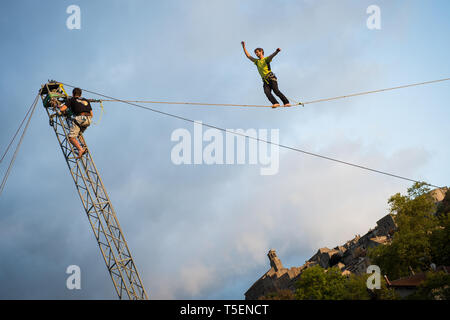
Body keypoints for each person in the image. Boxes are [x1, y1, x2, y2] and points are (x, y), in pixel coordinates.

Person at [241, 41, 290, 108]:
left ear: (261, 52)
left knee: (276, 91)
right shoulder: (257, 61)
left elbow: (271, 56)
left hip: (271, 78)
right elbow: (248, 56)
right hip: (265, 81)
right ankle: (275, 103)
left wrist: (277, 51)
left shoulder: (266, 59)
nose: (256, 53)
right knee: (267, 92)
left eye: (257, 52)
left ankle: (286, 102)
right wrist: (244, 47)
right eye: (255, 53)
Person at [58, 88, 93, 159]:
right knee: (79, 134)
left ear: (73, 94)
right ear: (80, 94)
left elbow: (62, 109)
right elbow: (92, 114)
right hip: (88, 120)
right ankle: (84, 146)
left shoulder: (71, 100)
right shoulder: (85, 100)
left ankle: (80, 149)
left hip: (80, 118)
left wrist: (59, 106)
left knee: (71, 137)